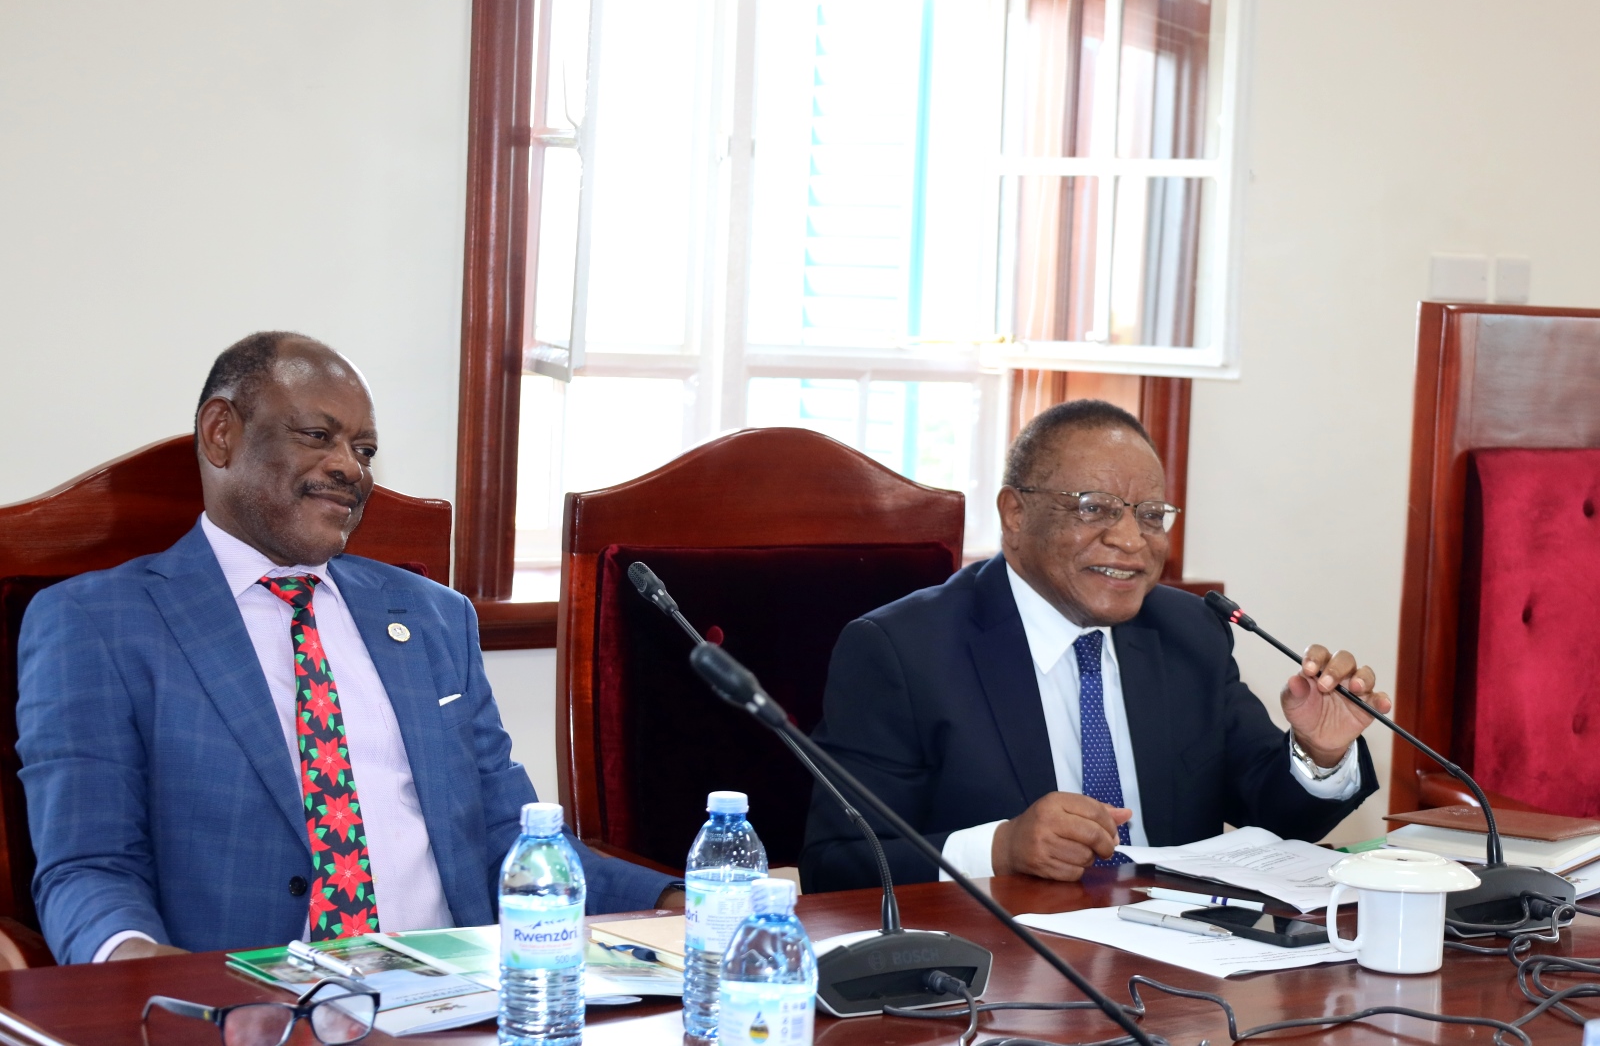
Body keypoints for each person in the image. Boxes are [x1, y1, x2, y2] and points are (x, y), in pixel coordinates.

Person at [17, 331, 679, 965]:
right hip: (248, 1005)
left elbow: (510, 837)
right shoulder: (97, 622)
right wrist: (147, 972)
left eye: (363, 449)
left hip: (457, 999)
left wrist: (679, 903)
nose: (349, 467)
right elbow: (89, 864)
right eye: (318, 436)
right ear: (222, 433)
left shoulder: (432, 617)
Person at [800, 400, 1386, 892]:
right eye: (1094, 508)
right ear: (1015, 514)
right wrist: (1000, 848)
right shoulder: (904, 651)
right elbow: (837, 863)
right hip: (1003, 974)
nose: (1131, 539)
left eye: (1151, 515)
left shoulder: (1187, 632)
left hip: (1176, 965)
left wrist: (1318, 755)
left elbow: (1272, 814)